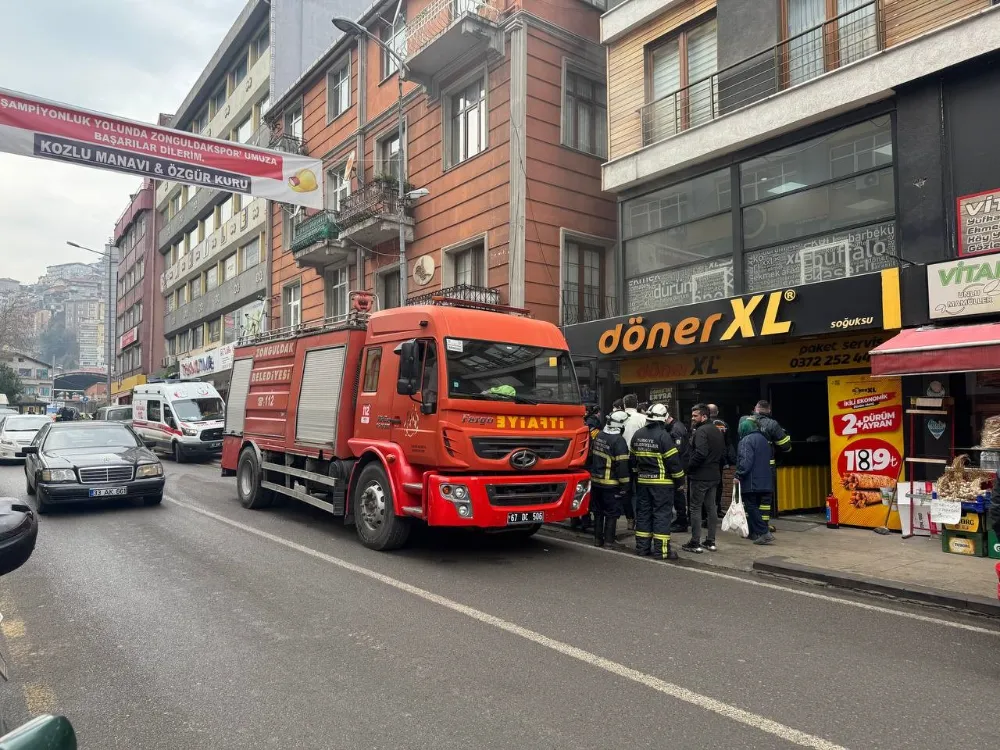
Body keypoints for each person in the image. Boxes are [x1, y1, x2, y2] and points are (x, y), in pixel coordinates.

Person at [630, 403, 685, 560]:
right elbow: (673, 463)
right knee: (661, 515)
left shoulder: (637, 434)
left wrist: (637, 476)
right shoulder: (664, 436)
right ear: (663, 418)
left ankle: (642, 548)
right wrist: (680, 481)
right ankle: (661, 551)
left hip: (642, 483)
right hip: (662, 485)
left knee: (644, 514)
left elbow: (632, 460)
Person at [683, 403, 725, 553]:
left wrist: (689, 468)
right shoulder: (716, 430)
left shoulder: (701, 431)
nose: (692, 418)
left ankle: (695, 542)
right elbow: (723, 452)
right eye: (692, 415)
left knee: (695, 508)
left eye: (695, 416)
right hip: (714, 475)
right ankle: (710, 541)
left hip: (700, 476)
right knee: (711, 507)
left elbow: (700, 453)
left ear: (704, 416)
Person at [588, 409, 630, 547]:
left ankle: (597, 539)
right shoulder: (619, 441)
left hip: (596, 481)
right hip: (611, 484)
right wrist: (625, 485)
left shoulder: (599, 435)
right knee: (612, 513)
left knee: (598, 512)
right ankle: (609, 541)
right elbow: (622, 466)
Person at [752, 400, 791, 532]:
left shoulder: (745, 422)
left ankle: (752, 524)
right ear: (768, 410)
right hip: (767, 467)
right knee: (765, 497)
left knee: (751, 497)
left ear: (755, 409)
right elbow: (786, 446)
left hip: (749, 466)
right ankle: (763, 525)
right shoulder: (772, 424)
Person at [736, 417, 775, 544]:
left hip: (752, 481)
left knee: (751, 506)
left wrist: (738, 475)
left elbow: (746, 461)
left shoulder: (746, 440)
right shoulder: (764, 439)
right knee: (757, 507)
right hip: (765, 480)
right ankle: (754, 532)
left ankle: (764, 532)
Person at [621, 394, 646, 531]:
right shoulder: (643, 418)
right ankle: (640, 518)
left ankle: (630, 519)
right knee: (641, 490)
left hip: (622, 459)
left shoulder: (618, 417)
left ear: (624, 405)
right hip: (640, 458)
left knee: (626, 490)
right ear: (636, 405)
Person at [665, 410, 690, 533]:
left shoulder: (676, 429)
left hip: (679, 465)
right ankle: (681, 519)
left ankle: (681, 521)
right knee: (677, 493)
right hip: (680, 464)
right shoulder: (676, 426)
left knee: (678, 494)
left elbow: (677, 449)